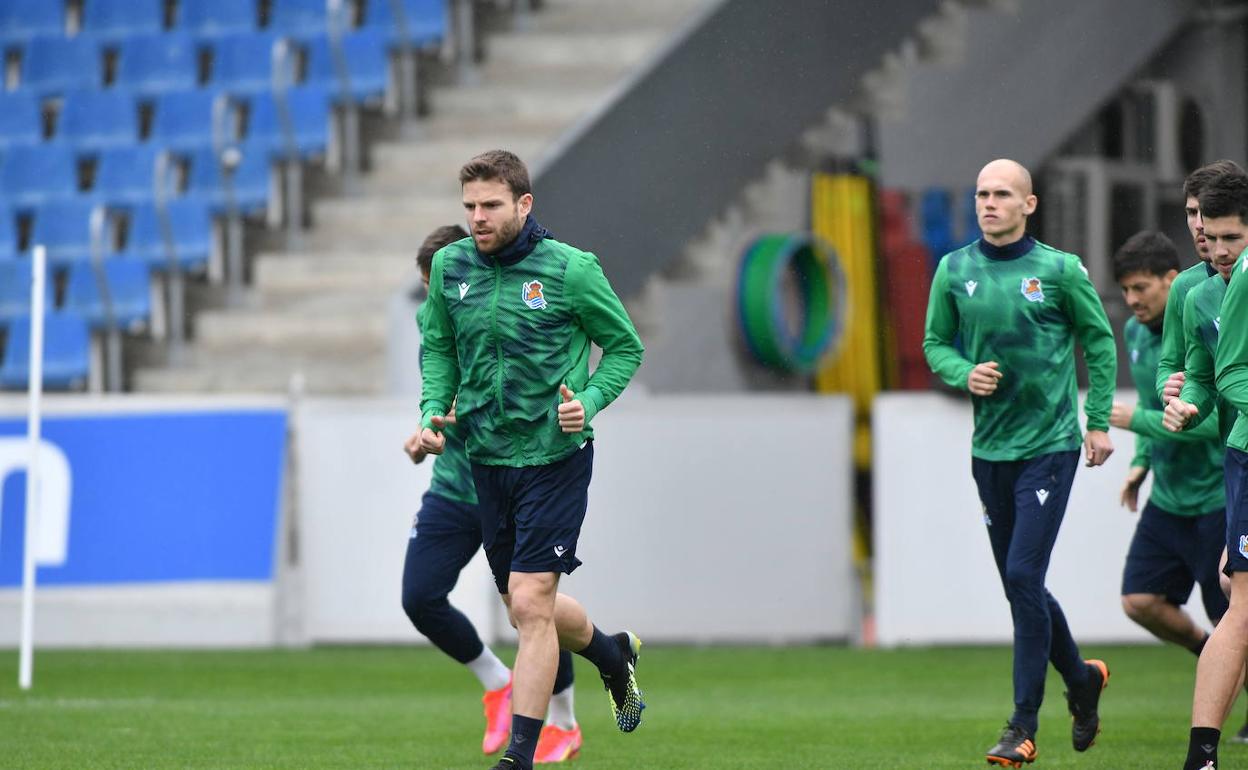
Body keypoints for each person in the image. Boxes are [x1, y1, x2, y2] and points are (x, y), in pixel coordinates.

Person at [416, 150, 646, 770]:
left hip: (555, 459)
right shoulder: (449, 267)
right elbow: (438, 348)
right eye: (468, 207)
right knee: (530, 608)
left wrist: (590, 401)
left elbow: (625, 347)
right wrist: (433, 411)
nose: (477, 218)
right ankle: (611, 654)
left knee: (528, 602)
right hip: (488, 461)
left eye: (490, 205)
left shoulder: (571, 270)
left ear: (523, 204)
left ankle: (520, 755)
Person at [922, 158, 1117, 767]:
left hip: (1050, 448)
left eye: (1003, 193)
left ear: (1029, 204)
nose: (989, 203)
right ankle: (1082, 681)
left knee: (1024, 577)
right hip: (989, 453)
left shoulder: (1059, 270)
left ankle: (1022, 726)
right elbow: (934, 343)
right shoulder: (954, 269)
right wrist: (962, 372)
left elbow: (1100, 339)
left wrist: (1100, 421)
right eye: (981, 193)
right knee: (1020, 581)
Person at [402, 224, 583, 764]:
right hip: (455, 487)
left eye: (440, 285)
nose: (436, 298)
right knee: (420, 596)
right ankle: (498, 680)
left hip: (509, 481)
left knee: (532, 608)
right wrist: (423, 437)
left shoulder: (504, 313)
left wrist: (472, 412)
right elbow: (436, 394)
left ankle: (565, 720)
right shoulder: (433, 322)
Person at [1161, 167, 1248, 770]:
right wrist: (1184, 404)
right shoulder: (1197, 294)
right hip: (1242, 452)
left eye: (1228, 237)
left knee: (1234, 589)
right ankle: (1203, 755)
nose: (1214, 247)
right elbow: (1220, 374)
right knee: (1242, 601)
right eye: (1205, 231)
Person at [1109, 231, 1227, 665]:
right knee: (1139, 599)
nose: (1131, 299)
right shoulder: (1135, 333)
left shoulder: (1205, 325)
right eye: (1125, 289)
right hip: (1169, 498)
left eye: (1140, 287)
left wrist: (1135, 423)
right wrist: (1140, 462)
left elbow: (1214, 422)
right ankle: (1208, 652)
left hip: (1217, 497)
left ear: (1172, 280)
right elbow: (1148, 400)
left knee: (1231, 617)